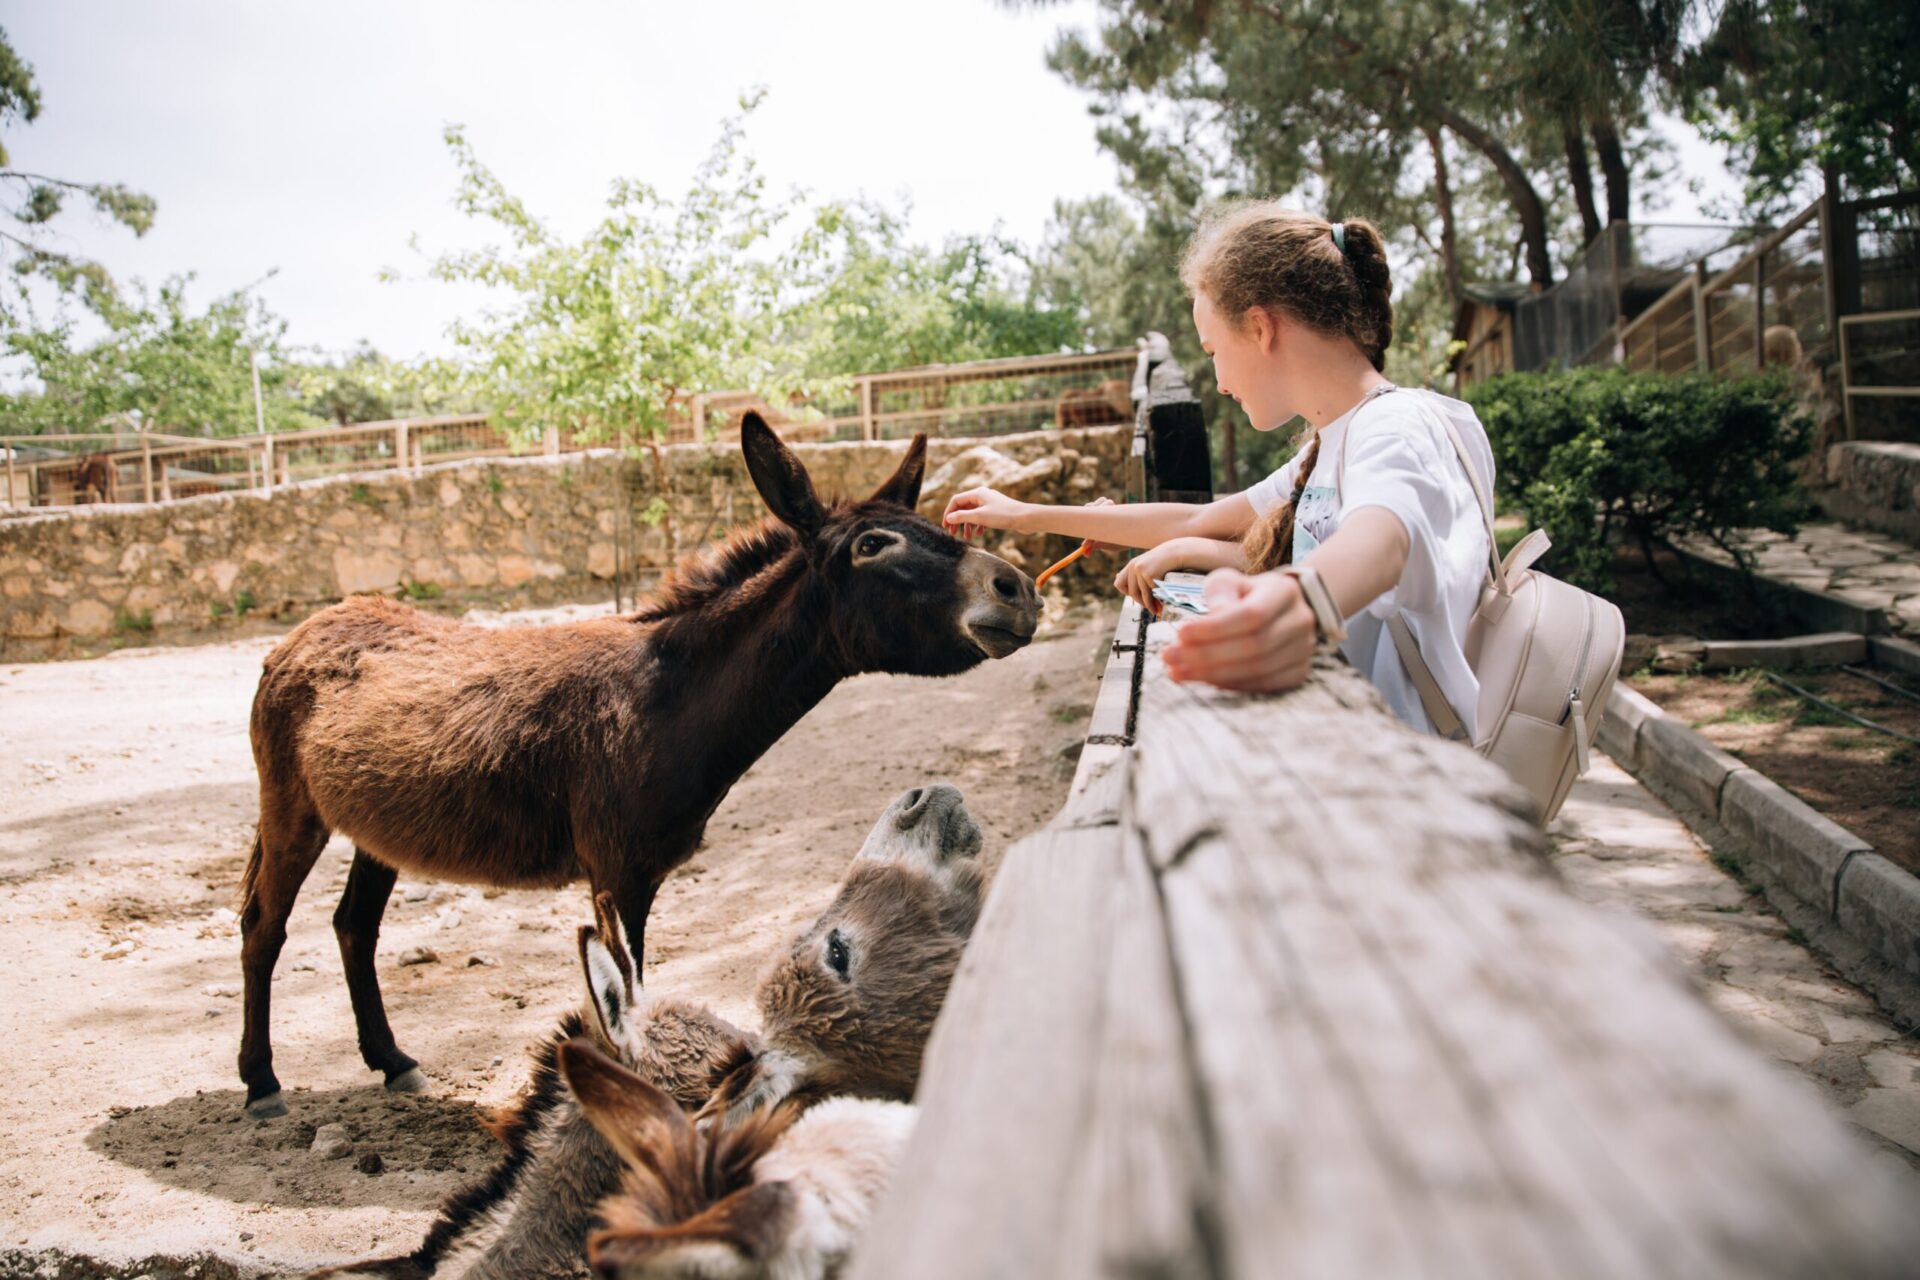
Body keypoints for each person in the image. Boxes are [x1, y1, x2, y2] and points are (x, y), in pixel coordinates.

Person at [942, 203, 1497, 738]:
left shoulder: (1396, 426)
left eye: (1212, 350)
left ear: (1260, 327)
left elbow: (1381, 545)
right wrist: (1023, 515)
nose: (1220, 379)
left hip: (1403, 783)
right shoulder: (1332, 444)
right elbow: (1198, 519)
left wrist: (1286, 608)